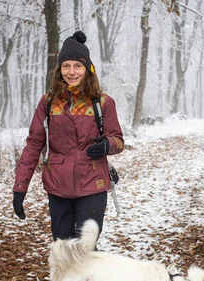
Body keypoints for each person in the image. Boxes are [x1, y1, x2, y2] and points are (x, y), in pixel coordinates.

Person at [12, 30, 124, 241]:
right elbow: (34, 145)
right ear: (59, 69)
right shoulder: (48, 102)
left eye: (77, 66)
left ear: (88, 69)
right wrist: (20, 189)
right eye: (66, 66)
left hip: (92, 185)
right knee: (62, 249)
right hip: (58, 186)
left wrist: (106, 145)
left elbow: (118, 140)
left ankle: (90, 275)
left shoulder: (102, 102)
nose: (71, 72)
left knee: (85, 250)